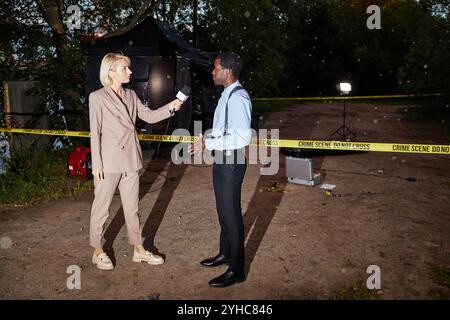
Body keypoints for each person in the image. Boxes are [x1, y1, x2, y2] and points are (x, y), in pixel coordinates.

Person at [89, 53, 183, 270]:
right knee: (101, 208)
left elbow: (148, 116)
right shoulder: (97, 97)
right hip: (108, 161)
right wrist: (97, 164)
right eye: (124, 68)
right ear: (110, 72)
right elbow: (95, 132)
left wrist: (171, 107)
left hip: (131, 158)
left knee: (132, 208)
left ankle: (139, 250)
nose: (130, 72)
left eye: (128, 68)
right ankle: (97, 250)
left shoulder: (131, 95)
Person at [190, 52, 252, 287]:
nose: (212, 72)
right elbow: (223, 129)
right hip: (222, 160)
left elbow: (242, 137)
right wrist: (207, 138)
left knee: (232, 217)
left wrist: (209, 143)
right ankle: (225, 254)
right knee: (222, 213)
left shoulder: (238, 98)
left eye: (216, 68)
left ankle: (237, 270)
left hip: (232, 162)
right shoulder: (226, 95)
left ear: (228, 71)